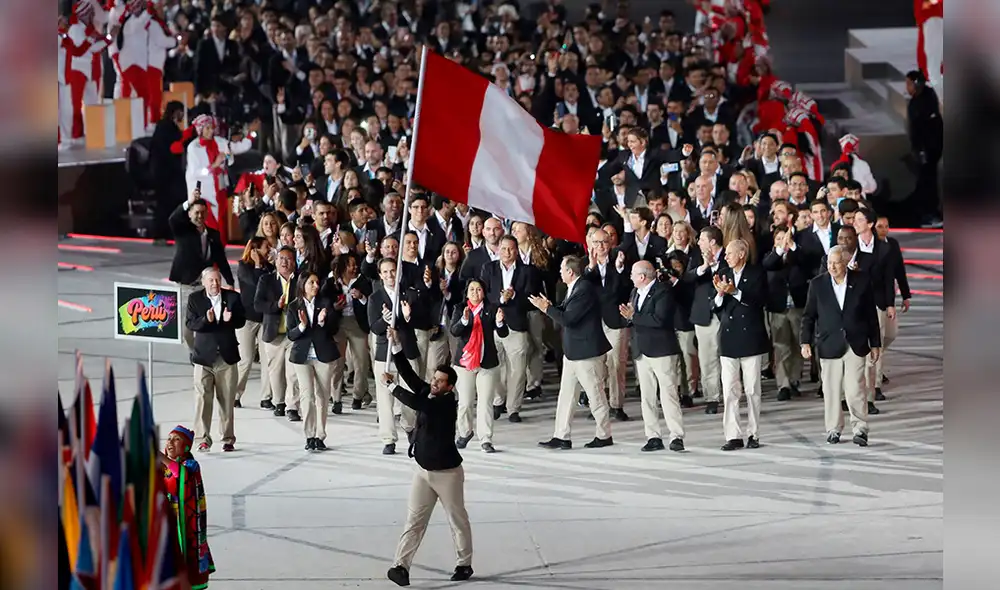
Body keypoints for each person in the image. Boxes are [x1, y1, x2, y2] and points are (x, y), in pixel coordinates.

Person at [381, 336, 473, 587]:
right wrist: (397, 346)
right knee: (414, 520)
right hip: (423, 471)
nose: (434, 383)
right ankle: (400, 566)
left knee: (457, 520)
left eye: (440, 381)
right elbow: (410, 376)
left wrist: (391, 388)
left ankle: (464, 563)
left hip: (447, 473)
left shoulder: (445, 404)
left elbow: (415, 402)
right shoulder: (430, 392)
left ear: (450, 387)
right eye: (434, 379)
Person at [530, 256, 614, 450]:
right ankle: (561, 436)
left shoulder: (584, 289)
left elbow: (569, 319)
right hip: (573, 352)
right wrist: (550, 307)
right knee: (566, 395)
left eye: (561, 269)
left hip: (587, 352)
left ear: (570, 272)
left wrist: (547, 308)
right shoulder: (575, 287)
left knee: (595, 394)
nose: (559, 272)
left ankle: (604, 434)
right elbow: (566, 311)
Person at [800, 246, 881, 447]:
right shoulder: (818, 284)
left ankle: (860, 429)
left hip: (856, 343)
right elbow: (809, 316)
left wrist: (876, 343)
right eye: (829, 263)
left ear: (845, 262)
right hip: (829, 344)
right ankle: (834, 429)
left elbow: (871, 314)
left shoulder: (861, 281)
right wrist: (805, 341)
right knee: (831, 389)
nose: (832, 267)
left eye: (836, 262)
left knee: (855, 389)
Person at [619, 261, 686, 452]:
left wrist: (633, 317)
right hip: (641, 350)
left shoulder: (662, 291)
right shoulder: (634, 293)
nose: (630, 276)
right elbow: (634, 318)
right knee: (647, 396)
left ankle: (676, 435)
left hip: (662, 349)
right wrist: (628, 317)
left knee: (669, 393)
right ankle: (653, 436)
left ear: (642, 277)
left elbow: (659, 319)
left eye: (632, 273)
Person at [713, 239, 770, 451]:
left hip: (751, 338)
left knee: (752, 388)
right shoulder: (723, 272)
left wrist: (735, 292)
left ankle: (753, 433)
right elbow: (716, 307)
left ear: (742, 254)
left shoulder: (757, 273)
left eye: (729, 253)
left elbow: (759, 300)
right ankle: (732, 435)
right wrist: (720, 294)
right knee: (729, 390)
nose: (726, 257)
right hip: (728, 339)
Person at [186, 267, 245, 452]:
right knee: (203, 398)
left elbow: (242, 321)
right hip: (203, 358)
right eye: (211, 280)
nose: (215, 284)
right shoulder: (194, 300)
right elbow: (190, 324)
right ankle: (202, 438)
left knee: (227, 400)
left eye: (217, 280)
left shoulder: (233, 298)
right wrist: (206, 319)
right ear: (203, 282)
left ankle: (228, 438)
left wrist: (231, 318)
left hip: (226, 358)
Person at [170, 190, 234, 351]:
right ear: (190, 213)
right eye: (196, 212)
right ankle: (194, 352)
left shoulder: (213, 234)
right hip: (185, 286)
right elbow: (173, 219)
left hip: (204, 287)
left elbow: (221, 259)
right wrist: (188, 202)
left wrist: (230, 281)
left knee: (206, 322)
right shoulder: (183, 230)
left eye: (203, 213)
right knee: (186, 330)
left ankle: (203, 355)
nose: (200, 216)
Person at [451, 279, 509, 454]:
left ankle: (486, 438)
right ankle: (464, 432)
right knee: (465, 402)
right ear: (467, 293)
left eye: (478, 289)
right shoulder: (460, 309)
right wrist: (464, 320)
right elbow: (455, 331)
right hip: (465, 363)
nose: (475, 293)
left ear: (484, 292)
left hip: (487, 363)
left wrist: (499, 322)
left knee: (485, 403)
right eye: (472, 290)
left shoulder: (491, 309)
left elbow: (503, 333)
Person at [286, 271, 341, 451]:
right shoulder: (294, 307)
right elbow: (291, 334)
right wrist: (302, 326)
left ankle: (320, 434)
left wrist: (323, 322)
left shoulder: (325, 304)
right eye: (312, 283)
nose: (316, 286)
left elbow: (334, 329)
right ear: (303, 285)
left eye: (317, 282)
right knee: (307, 395)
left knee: (323, 396)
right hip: (302, 357)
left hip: (323, 355)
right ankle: (309, 435)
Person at [161, 425, 215, 590]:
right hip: (168, 521)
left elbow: (180, 474)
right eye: (169, 438)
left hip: (186, 523)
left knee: (186, 554)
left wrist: (160, 458)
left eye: (176, 439)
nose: (171, 442)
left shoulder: (191, 465)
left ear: (186, 447)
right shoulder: (163, 466)